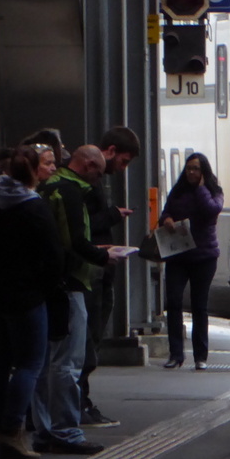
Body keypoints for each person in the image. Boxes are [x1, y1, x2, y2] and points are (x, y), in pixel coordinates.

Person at [33, 145, 113, 455]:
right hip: (69, 282)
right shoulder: (69, 192)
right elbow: (75, 240)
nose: (99, 180)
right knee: (67, 361)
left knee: (42, 362)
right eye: (100, 173)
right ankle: (65, 430)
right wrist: (103, 256)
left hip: (42, 284)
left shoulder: (43, 190)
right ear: (90, 166)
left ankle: (43, 429)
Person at [0, 146, 65, 459]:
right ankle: (11, 431)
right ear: (33, 173)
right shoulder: (35, 208)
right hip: (28, 297)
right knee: (30, 364)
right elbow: (53, 256)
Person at [80, 126, 140, 428]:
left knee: (93, 335)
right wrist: (114, 215)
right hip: (92, 269)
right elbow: (85, 227)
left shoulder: (94, 183)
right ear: (111, 151)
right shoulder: (85, 185)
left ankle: (82, 399)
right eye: (124, 161)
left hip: (102, 267)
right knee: (88, 336)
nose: (122, 169)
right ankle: (79, 401)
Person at [159, 153, 223, 370]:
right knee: (174, 303)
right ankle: (176, 354)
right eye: (188, 169)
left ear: (204, 172)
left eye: (196, 169)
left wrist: (201, 188)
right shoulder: (178, 191)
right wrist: (166, 218)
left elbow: (212, 211)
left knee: (199, 306)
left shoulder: (213, 192)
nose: (191, 173)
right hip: (178, 255)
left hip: (204, 257)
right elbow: (166, 211)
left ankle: (200, 356)